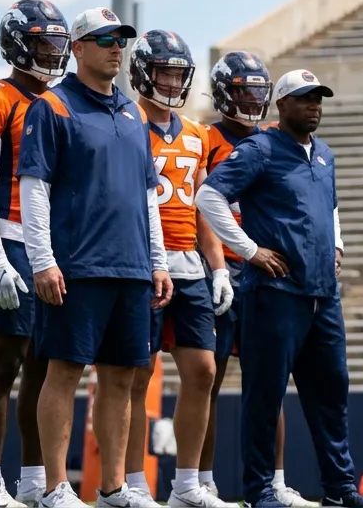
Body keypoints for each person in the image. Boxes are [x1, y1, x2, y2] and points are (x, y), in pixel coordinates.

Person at [196, 69, 363, 508]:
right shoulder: (259, 148)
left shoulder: (324, 154)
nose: (314, 105)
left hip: (323, 294)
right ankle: (259, 489)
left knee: (331, 393)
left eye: (318, 98)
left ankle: (340, 489)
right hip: (275, 292)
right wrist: (249, 250)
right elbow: (208, 196)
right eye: (304, 98)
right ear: (281, 104)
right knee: (265, 394)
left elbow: (330, 207)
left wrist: (337, 245)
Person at [17, 7, 173, 508]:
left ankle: (113, 488)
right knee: (64, 372)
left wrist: (158, 261)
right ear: (78, 48)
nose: (116, 49)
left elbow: (148, 196)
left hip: (131, 267)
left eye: (120, 41)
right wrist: (42, 260)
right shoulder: (52, 107)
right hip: (77, 266)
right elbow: (34, 189)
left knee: (122, 378)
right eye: (105, 40)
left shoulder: (134, 113)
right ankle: (55, 487)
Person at [117, 30, 236, 508]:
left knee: (203, 370)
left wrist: (218, 266)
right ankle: (132, 483)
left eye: (177, 74)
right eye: (163, 73)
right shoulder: (125, 123)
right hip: (141, 264)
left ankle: (187, 485)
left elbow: (202, 206)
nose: (171, 82)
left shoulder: (196, 133)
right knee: (137, 375)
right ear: (143, 73)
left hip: (188, 264)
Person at [198, 52, 313, 508]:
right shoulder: (204, 138)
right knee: (207, 380)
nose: (250, 99)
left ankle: (275, 481)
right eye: (242, 90)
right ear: (224, 93)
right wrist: (218, 267)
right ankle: (201, 481)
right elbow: (201, 206)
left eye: (257, 91)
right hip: (222, 269)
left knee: (269, 384)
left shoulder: (273, 140)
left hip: (264, 272)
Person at [0, 1, 70, 508]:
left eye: (58, 43)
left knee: (44, 365)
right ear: (17, 43)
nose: (53, 53)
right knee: (3, 366)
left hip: (48, 245)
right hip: (8, 237)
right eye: (43, 43)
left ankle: (34, 480)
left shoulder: (59, 103)